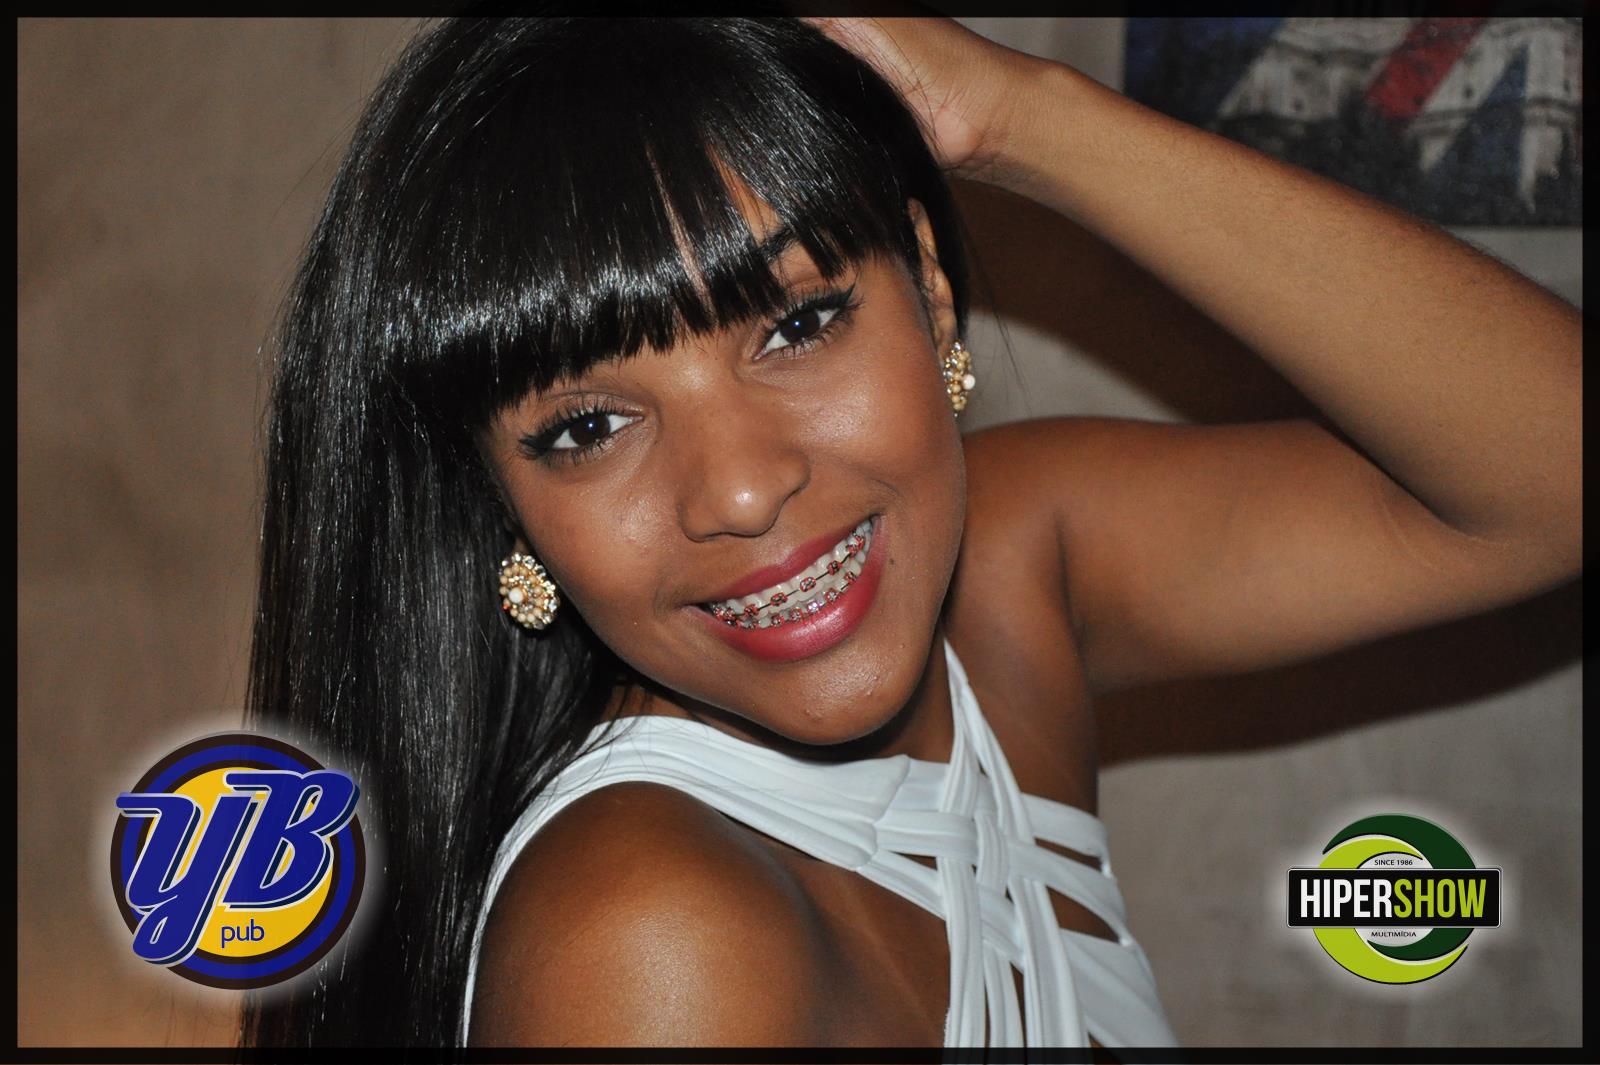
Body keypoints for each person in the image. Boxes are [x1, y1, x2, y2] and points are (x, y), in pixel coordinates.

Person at [239, 15, 1582, 1051]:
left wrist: (1020, 115)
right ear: (500, 504)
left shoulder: (1013, 571)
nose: (740, 490)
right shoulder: (650, 939)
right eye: (588, 425)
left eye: (799, 324)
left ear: (933, 296)